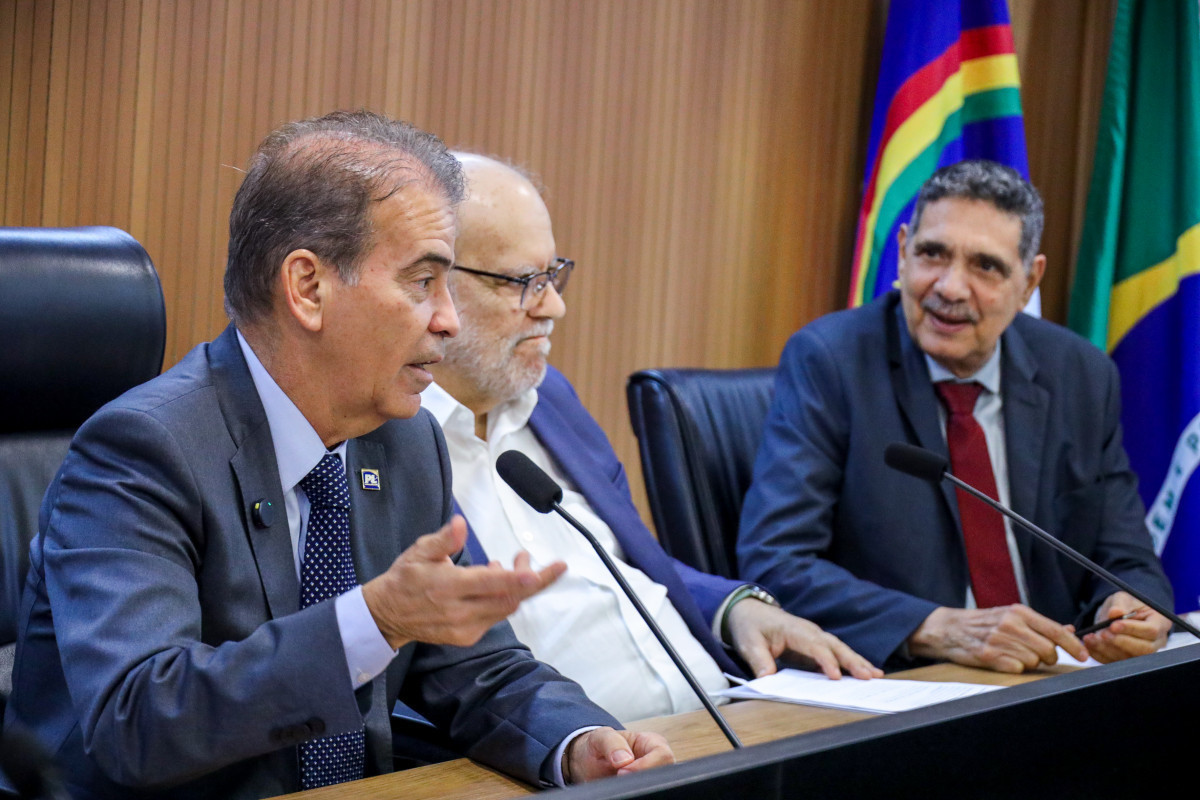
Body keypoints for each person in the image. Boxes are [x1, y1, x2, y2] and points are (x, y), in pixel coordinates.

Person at [3, 111, 672, 800]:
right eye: (422, 282)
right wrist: (373, 622)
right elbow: (138, 720)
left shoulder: (406, 441)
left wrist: (581, 745)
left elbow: (478, 670)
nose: (447, 318)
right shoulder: (142, 450)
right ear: (308, 288)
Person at [422, 153, 879, 723]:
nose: (555, 306)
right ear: (432, 282)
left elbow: (632, 563)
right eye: (524, 283)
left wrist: (735, 609)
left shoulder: (550, 398)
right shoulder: (386, 445)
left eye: (553, 276)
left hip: (723, 719)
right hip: (577, 757)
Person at [737, 159, 1174, 674]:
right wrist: (935, 626)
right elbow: (777, 561)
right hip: (909, 685)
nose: (949, 287)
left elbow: (1128, 560)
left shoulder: (1079, 375)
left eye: (985, 266)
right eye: (932, 254)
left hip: (1053, 679)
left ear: (1029, 281)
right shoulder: (831, 361)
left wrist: (1128, 611)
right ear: (902, 252)